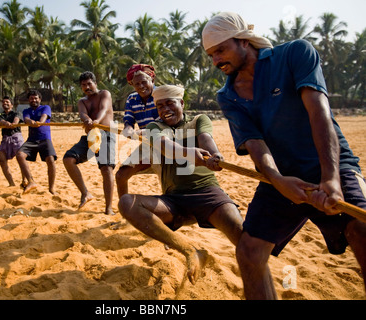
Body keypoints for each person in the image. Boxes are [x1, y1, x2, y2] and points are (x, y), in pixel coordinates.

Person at [202, 12, 366, 299]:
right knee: (249, 252)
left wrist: (331, 178)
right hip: (280, 177)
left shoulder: (294, 53)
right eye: (211, 55)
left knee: (362, 232)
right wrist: (278, 181)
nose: (216, 61)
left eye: (220, 50)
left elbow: (320, 113)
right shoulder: (227, 95)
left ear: (243, 40)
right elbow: (255, 144)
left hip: (330, 166)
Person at [118, 84, 243, 285]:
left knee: (241, 235)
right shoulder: (154, 127)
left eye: (170, 103)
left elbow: (206, 138)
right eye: (160, 106)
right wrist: (189, 152)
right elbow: (165, 146)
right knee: (126, 203)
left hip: (208, 194)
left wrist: (215, 155)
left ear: (182, 103)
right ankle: (190, 251)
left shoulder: (198, 121)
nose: (165, 110)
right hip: (173, 202)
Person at [63, 71, 116, 215]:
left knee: (106, 169)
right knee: (68, 159)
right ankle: (85, 193)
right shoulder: (82, 101)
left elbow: (104, 109)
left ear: (95, 83)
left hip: (107, 134)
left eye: (89, 84)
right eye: (83, 85)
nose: (87, 87)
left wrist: (97, 121)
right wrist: (86, 119)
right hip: (91, 136)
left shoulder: (105, 93)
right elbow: (82, 113)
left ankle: (108, 208)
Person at [116, 64, 161, 197]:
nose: (141, 86)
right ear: (132, 85)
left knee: (168, 179)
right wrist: (128, 130)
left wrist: (142, 132)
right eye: (137, 84)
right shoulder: (132, 99)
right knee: (121, 175)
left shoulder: (161, 95)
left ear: (152, 80)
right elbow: (128, 121)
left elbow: (164, 125)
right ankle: (124, 207)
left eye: (144, 82)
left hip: (167, 143)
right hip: (148, 145)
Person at [16, 90, 57, 195]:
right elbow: (26, 119)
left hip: (45, 138)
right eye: (31, 98)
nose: (33, 100)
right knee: (20, 155)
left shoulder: (45, 107)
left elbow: (44, 117)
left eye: (35, 98)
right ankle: (31, 181)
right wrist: (31, 122)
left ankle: (51, 188)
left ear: (40, 99)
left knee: (51, 160)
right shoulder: (26, 110)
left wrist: (40, 122)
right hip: (32, 140)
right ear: (29, 100)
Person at [0, 96, 26, 187]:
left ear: (11, 105)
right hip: (5, 138)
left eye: (7, 102)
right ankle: (11, 183)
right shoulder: (0, 116)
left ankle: (24, 180)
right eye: (3, 102)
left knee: (21, 159)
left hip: (16, 137)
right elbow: (1, 122)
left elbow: (16, 120)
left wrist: (13, 124)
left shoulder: (17, 113)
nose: (5, 103)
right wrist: (6, 123)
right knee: (2, 160)